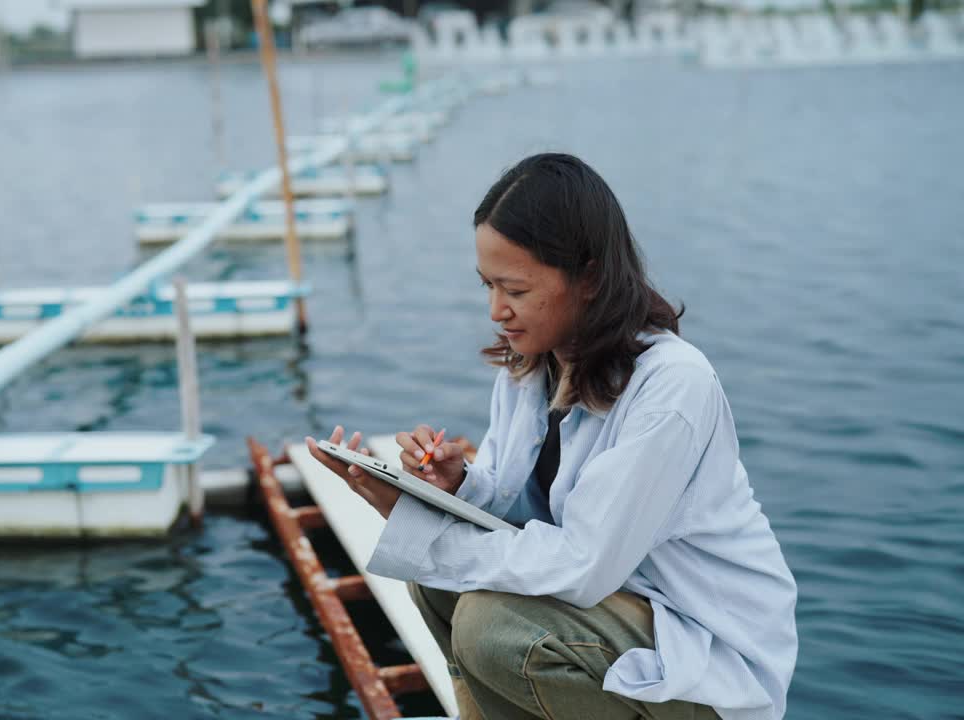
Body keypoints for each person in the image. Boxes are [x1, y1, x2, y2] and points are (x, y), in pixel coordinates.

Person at [305, 153, 797, 720]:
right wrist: (453, 484)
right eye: (487, 285)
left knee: (491, 625)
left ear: (588, 278)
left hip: (704, 651)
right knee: (437, 587)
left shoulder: (672, 387)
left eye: (514, 288)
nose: (496, 310)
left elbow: (584, 564)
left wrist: (424, 535)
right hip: (616, 613)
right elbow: (519, 509)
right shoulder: (530, 366)